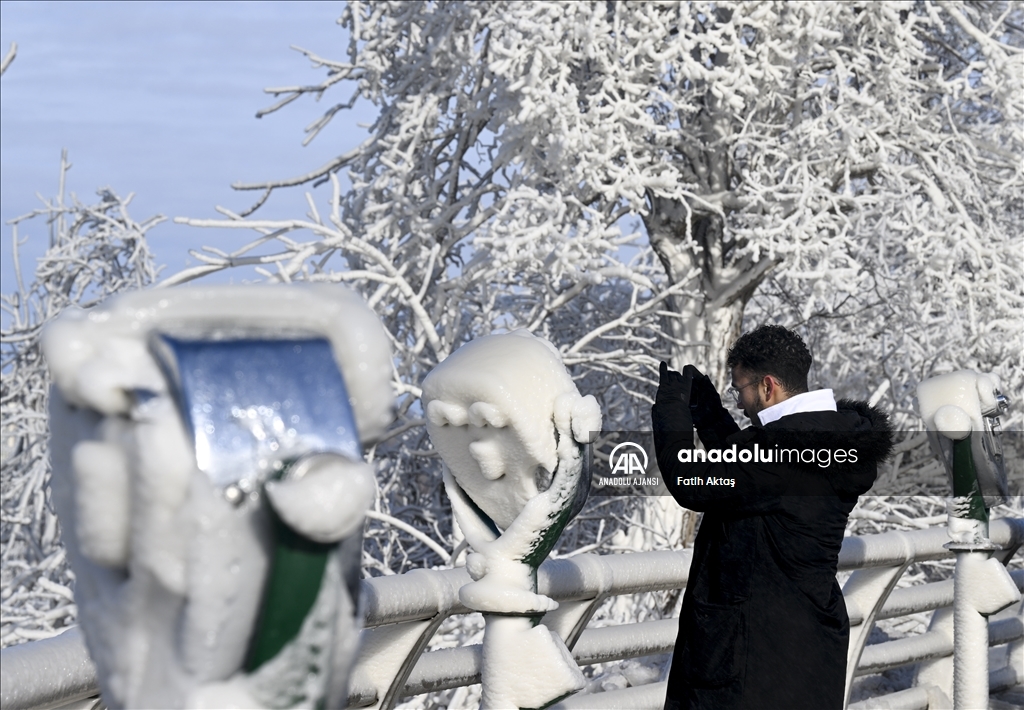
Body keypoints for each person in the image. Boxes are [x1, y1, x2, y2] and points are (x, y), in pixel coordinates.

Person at [652, 325, 894, 710]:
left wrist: (670, 411)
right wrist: (710, 415)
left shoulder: (778, 451)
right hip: (808, 643)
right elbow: (750, 476)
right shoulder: (831, 441)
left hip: (749, 653)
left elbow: (691, 479)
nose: (740, 402)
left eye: (740, 390)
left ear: (767, 387)